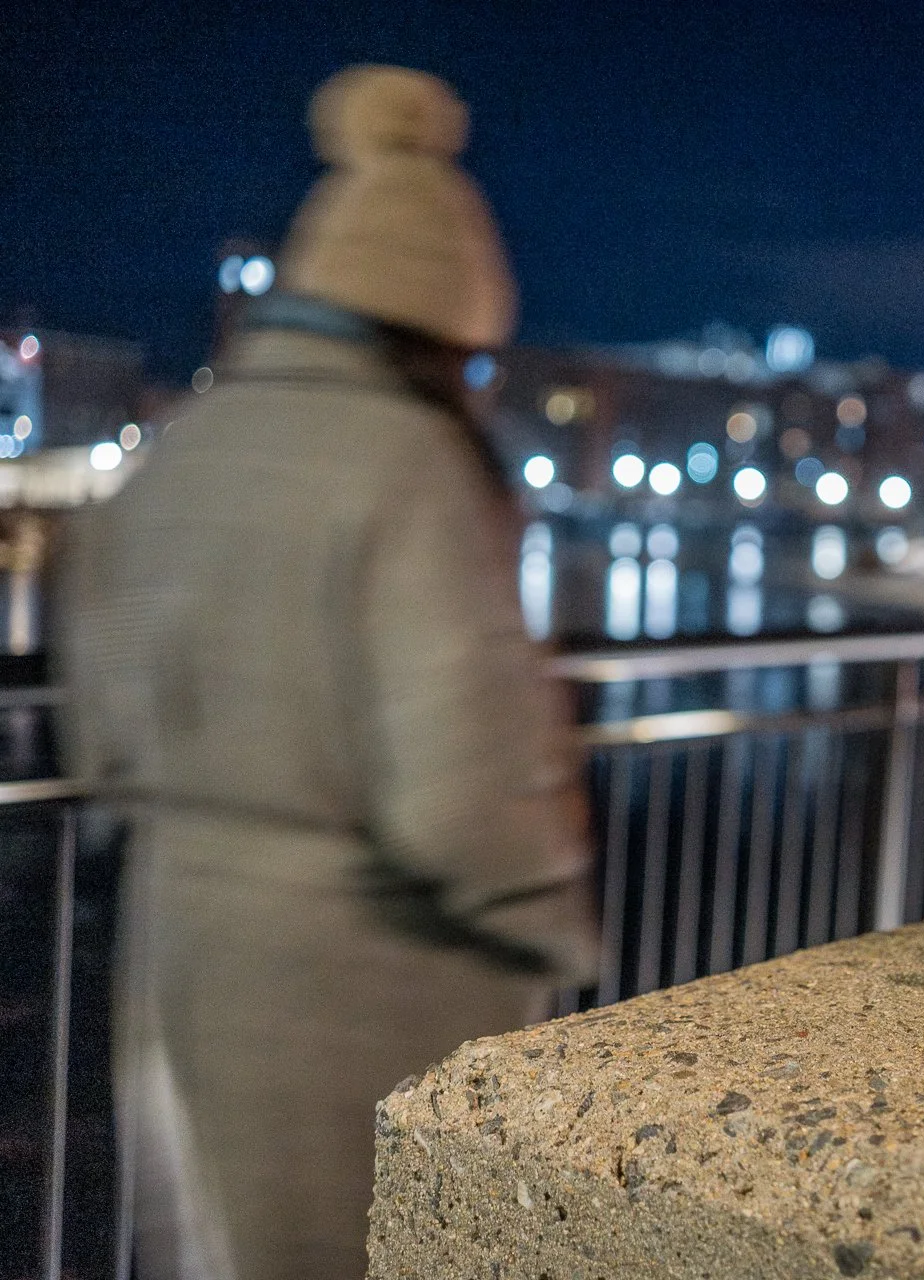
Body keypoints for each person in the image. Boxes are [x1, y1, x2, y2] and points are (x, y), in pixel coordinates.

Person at [58, 65, 599, 1280]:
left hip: (178, 935)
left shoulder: (179, 449)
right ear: (443, 330)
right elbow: (463, 768)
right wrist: (545, 921)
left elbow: (97, 725)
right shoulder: (408, 466)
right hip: (356, 964)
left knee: (206, 1242)